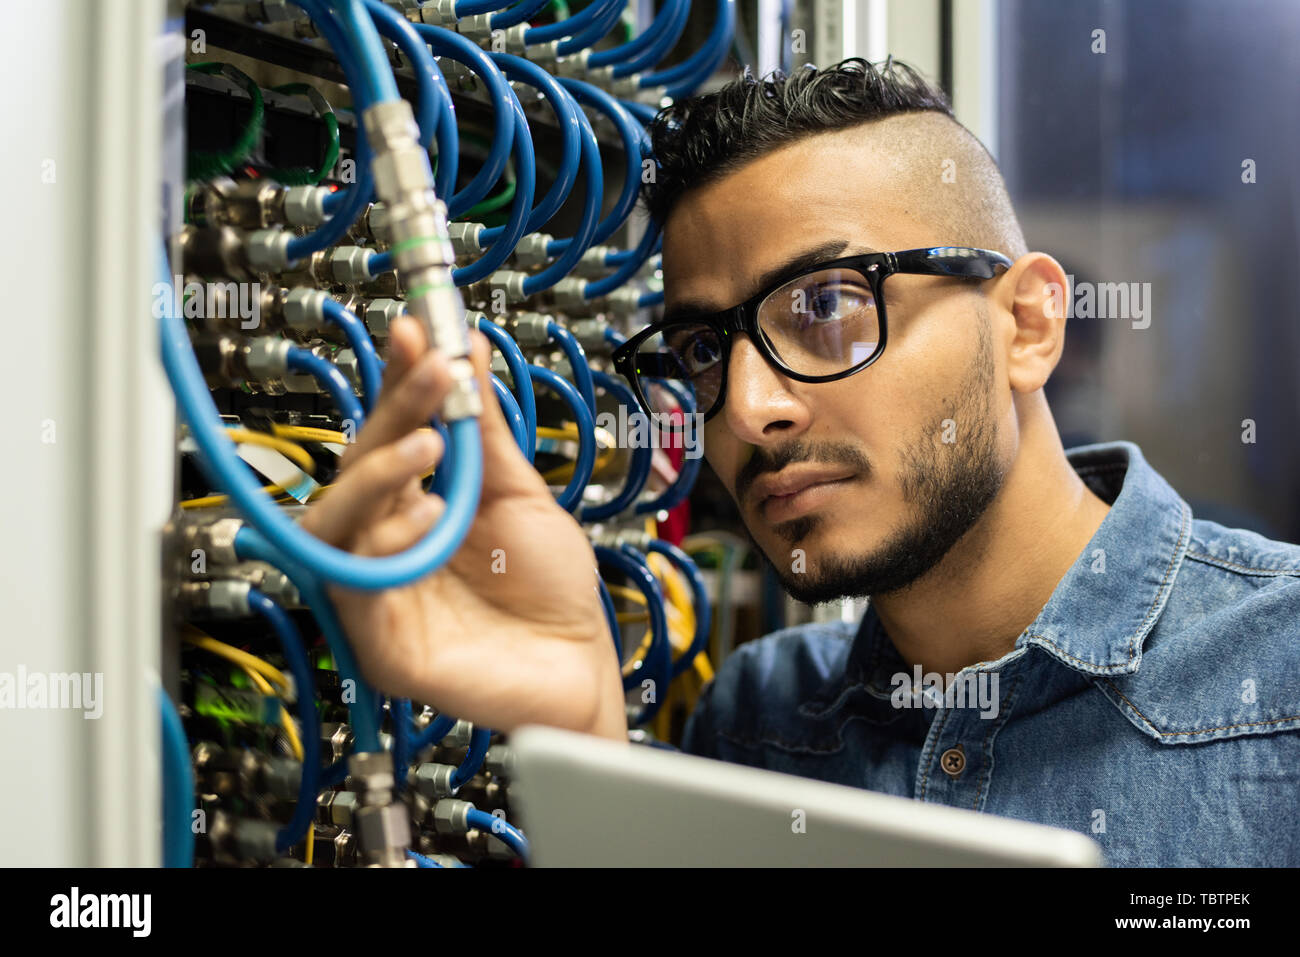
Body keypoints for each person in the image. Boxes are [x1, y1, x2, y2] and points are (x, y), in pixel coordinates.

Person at [302, 58, 1300, 866]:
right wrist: (581, 728)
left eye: (824, 306)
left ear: (1029, 327)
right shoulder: (761, 723)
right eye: (703, 350)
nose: (745, 408)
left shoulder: (1280, 671)